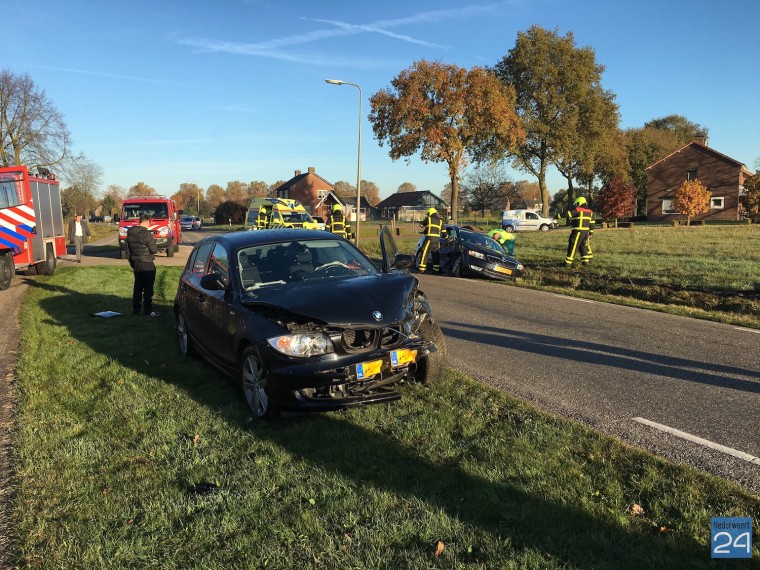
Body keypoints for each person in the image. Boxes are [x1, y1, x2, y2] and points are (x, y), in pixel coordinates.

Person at [125, 214, 160, 317]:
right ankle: (148, 310)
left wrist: (132, 263)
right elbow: (154, 250)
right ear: (146, 222)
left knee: (138, 288)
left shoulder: (130, 233)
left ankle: (136, 310)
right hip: (147, 263)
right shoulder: (146, 233)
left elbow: (128, 251)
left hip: (136, 263)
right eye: (149, 223)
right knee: (148, 288)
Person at [565, 196, 594, 266]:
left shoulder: (578, 210)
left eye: (577, 203)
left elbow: (567, 214)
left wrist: (557, 216)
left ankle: (567, 263)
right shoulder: (590, 212)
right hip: (586, 232)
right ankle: (586, 262)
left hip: (578, 231)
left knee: (573, 245)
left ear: (579, 202)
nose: (577, 205)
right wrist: (591, 233)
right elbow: (592, 223)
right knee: (583, 246)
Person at [418, 207, 443, 273]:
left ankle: (422, 269)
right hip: (437, 240)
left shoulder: (428, 219)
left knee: (425, 252)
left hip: (429, 239)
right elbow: (444, 232)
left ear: (430, 213)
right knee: (436, 254)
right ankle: (436, 270)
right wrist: (447, 237)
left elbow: (421, 225)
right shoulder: (440, 221)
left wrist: (424, 224)